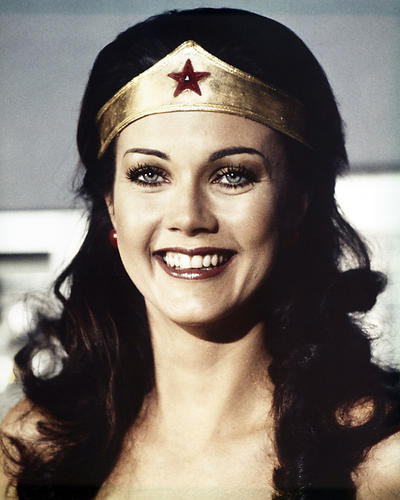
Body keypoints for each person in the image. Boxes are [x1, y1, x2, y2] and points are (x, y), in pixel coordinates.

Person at [1, 7, 399, 500]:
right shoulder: (34, 447)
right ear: (111, 206)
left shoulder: (382, 466)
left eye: (232, 175)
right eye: (150, 174)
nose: (188, 217)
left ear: (298, 203)